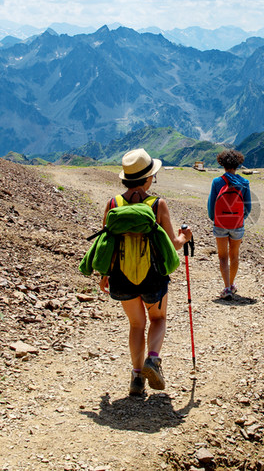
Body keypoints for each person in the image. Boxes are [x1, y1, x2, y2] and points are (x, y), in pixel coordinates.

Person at [98, 148, 192, 396]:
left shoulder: (113, 204)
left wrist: (104, 274)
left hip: (121, 276)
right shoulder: (157, 204)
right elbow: (172, 243)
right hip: (153, 276)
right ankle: (153, 359)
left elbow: (107, 244)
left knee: (136, 324)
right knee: (158, 319)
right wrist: (185, 236)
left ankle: (136, 378)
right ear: (148, 179)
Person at [207, 149, 252, 299]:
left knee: (222, 257)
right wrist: (240, 219)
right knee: (234, 255)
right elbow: (249, 206)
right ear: (238, 164)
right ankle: (232, 285)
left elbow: (211, 205)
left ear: (222, 164)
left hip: (220, 224)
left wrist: (216, 219)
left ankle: (226, 288)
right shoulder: (244, 182)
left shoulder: (217, 182)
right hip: (237, 225)